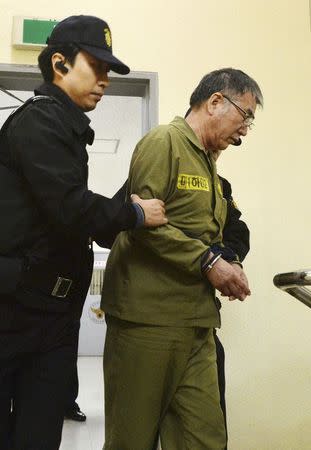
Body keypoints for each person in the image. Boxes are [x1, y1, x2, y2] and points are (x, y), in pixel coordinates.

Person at [0, 15, 167, 450]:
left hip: (50, 315)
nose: (106, 80)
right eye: (97, 67)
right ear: (60, 64)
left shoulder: (66, 126)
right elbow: (70, 208)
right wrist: (133, 214)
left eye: (109, 71)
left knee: (39, 435)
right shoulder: (39, 122)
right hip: (14, 312)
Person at [101, 67, 263, 450]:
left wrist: (229, 261)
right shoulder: (164, 142)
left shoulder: (209, 164)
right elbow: (144, 224)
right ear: (215, 101)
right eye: (246, 116)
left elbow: (215, 232)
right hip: (148, 321)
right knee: (132, 438)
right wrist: (208, 262)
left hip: (197, 322)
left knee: (204, 438)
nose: (245, 129)